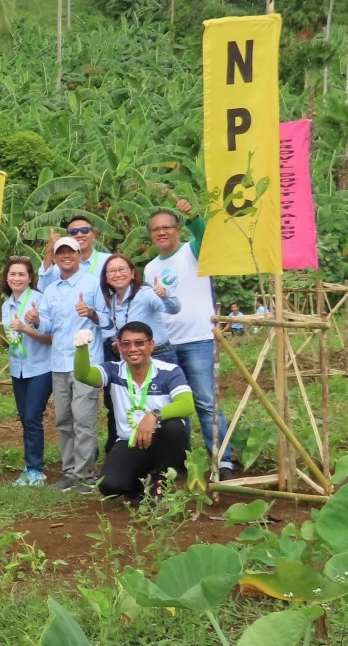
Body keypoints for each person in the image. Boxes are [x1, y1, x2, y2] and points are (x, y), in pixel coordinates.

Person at [143, 199, 236, 480]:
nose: (162, 233)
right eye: (156, 229)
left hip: (198, 339)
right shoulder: (149, 269)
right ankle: (182, 461)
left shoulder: (193, 251)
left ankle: (223, 461)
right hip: (165, 345)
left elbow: (206, 236)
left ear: (177, 230)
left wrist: (194, 215)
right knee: (175, 407)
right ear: (150, 235)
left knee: (206, 402)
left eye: (167, 227)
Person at [73, 322, 195, 503]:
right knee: (109, 485)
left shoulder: (169, 371)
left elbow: (187, 405)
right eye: (126, 344)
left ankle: (159, 482)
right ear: (119, 346)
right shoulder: (113, 370)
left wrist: (153, 416)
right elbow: (84, 375)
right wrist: (81, 348)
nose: (133, 349)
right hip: (129, 441)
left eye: (139, 343)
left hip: (163, 440)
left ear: (151, 345)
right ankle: (139, 488)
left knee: (174, 427)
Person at [36, 238, 107, 493]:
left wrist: (91, 314)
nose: (66, 256)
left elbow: (108, 320)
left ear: (79, 255)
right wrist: (35, 320)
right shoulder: (51, 290)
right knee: (64, 419)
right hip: (59, 362)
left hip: (86, 363)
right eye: (60, 252)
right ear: (55, 258)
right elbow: (46, 325)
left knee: (84, 419)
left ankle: (85, 474)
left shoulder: (93, 283)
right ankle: (68, 472)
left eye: (71, 252)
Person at [97, 255, 180, 454]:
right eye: (112, 271)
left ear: (133, 273)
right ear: (106, 277)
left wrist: (164, 294)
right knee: (138, 406)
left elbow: (173, 308)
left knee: (169, 410)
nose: (117, 274)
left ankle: (177, 457)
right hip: (133, 361)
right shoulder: (113, 301)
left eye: (122, 269)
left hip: (160, 356)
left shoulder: (145, 293)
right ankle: (142, 454)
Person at [0, 257, 53, 487]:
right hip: (18, 368)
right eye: (12, 274)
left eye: (22, 274)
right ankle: (30, 466)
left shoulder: (40, 301)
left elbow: (50, 338)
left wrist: (29, 327)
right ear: (7, 278)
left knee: (32, 417)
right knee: (25, 418)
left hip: (41, 367)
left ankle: (35, 469)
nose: (17, 278)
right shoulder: (6, 305)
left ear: (30, 278)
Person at [39, 216, 112, 286]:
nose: (79, 235)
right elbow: (45, 286)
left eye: (84, 230)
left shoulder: (109, 261)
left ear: (94, 236)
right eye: (73, 232)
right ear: (68, 238)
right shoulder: (63, 265)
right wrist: (49, 250)